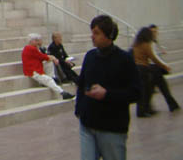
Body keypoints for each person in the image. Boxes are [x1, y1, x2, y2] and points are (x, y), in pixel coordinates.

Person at [76, 14, 142, 160]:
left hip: (111, 127)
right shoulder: (90, 56)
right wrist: (80, 109)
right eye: (92, 32)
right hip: (88, 123)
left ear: (109, 35)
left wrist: (107, 94)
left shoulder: (125, 59)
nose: (92, 36)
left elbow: (135, 92)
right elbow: (82, 84)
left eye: (97, 33)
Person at [131, 26, 179, 116]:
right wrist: (164, 66)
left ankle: (145, 110)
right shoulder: (147, 45)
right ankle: (143, 111)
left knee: (144, 91)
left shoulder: (135, 44)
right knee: (146, 91)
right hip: (144, 69)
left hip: (137, 69)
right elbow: (153, 57)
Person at [22, 33, 75, 99]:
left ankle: (51, 77)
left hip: (35, 68)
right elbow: (42, 56)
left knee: (49, 63)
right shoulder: (30, 48)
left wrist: (52, 58)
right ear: (31, 41)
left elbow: (43, 56)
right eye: (36, 40)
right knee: (49, 79)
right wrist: (53, 58)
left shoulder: (31, 48)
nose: (38, 42)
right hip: (33, 71)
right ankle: (62, 93)